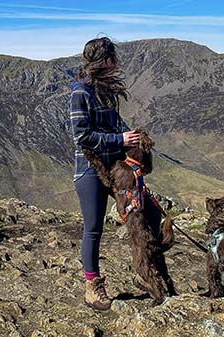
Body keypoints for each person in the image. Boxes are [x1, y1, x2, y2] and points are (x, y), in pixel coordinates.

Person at [69, 36, 141, 310]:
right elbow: (82, 136)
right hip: (89, 170)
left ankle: (143, 272)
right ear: (104, 61)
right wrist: (120, 140)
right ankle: (92, 287)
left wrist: (130, 138)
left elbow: (115, 125)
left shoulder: (105, 91)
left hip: (116, 168)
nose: (115, 64)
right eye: (112, 59)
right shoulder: (80, 92)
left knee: (139, 215)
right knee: (94, 228)